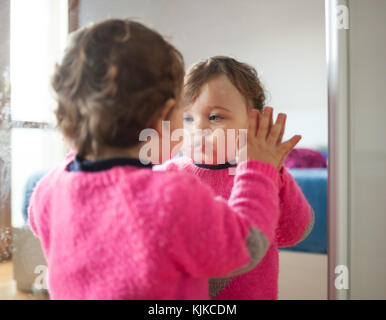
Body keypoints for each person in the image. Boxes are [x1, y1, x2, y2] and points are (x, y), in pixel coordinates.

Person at [156, 56, 314, 300]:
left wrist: (276, 173)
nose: (198, 128)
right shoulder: (168, 178)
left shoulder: (263, 177)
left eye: (215, 117)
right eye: (187, 118)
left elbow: (294, 232)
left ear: (254, 124)